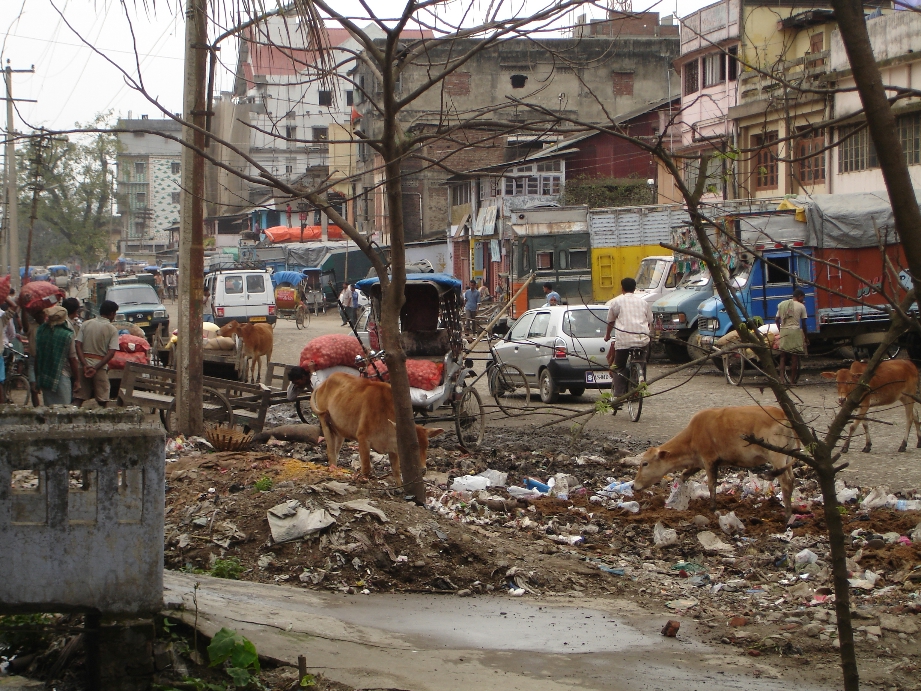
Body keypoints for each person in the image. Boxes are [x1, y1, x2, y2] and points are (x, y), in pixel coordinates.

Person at [604, 277, 653, 404]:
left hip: (624, 340)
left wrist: (607, 335)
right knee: (641, 361)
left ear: (622, 288)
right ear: (635, 288)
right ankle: (640, 377)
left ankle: (618, 397)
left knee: (619, 366)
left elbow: (610, 321)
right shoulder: (643, 303)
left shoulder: (616, 302)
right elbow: (650, 321)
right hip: (642, 339)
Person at [75, 300, 120, 408]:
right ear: (112, 313)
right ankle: (104, 422)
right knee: (103, 399)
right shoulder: (112, 329)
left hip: (82, 366)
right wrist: (95, 368)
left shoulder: (86, 324)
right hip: (100, 366)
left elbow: (77, 345)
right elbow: (111, 352)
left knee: (78, 398)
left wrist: (85, 364)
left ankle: (70, 418)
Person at [35, 305, 79, 406]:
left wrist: (37, 377)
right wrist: (77, 379)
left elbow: (38, 356)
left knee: (49, 408)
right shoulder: (67, 335)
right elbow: (72, 359)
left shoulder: (41, 331)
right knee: (64, 409)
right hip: (62, 375)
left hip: (45, 375)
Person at [776, 288, 809, 386]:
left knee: (783, 356)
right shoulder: (801, 306)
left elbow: (776, 319)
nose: (802, 300)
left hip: (784, 331)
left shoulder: (782, 304)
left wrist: (780, 329)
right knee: (794, 357)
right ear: (799, 296)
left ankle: (781, 379)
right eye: (802, 298)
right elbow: (804, 324)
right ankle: (791, 382)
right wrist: (806, 337)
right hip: (795, 331)